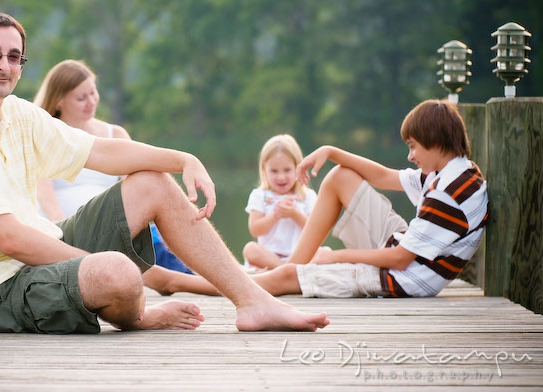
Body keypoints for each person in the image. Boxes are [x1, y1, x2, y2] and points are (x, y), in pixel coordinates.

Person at [0, 10, 329, 335]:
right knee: (117, 273)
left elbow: (104, 151)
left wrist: (181, 159)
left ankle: (252, 301)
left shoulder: (16, 113)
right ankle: (140, 316)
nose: (4, 64)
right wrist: (103, 265)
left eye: (14, 56)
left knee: (151, 181)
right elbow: (9, 239)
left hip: (41, 251)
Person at [177, 99, 488, 298]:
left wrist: (335, 257)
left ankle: (178, 282)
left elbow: (400, 260)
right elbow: (382, 177)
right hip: (404, 251)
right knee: (341, 175)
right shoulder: (451, 171)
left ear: (434, 143)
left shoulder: (448, 194)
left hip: (402, 278)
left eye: (413, 147)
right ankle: (297, 266)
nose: (409, 156)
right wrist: (331, 151)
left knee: (283, 278)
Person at [33, 59, 192, 273]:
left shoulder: (114, 134)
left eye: (93, 92)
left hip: (117, 229)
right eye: (81, 97)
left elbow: (139, 188)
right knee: (157, 273)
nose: (91, 101)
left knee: (163, 246)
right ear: (59, 101)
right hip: (70, 234)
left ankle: (209, 275)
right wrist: (64, 237)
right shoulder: (45, 137)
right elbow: (45, 196)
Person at [242, 135, 317, 271]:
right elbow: (255, 229)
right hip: (269, 257)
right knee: (250, 249)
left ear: (298, 167)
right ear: (264, 169)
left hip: (301, 256)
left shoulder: (308, 196)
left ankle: (283, 271)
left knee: (325, 252)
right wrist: (275, 215)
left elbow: (315, 231)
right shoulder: (260, 195)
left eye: (287, 170)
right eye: (274, 171)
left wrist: (294, 214)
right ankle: (285, 270)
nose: (281, 177)